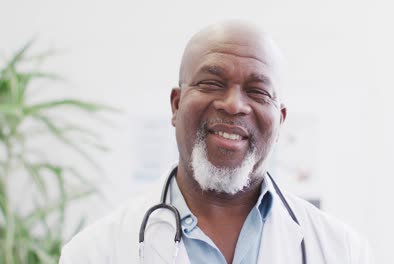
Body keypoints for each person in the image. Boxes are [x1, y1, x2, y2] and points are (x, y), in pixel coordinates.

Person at [59, 21, 372, 264]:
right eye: (212, 83)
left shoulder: (340, 250)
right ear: (176, 105)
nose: (234, 105)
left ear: (280, 121)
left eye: (258, 91)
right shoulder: (94, 252)